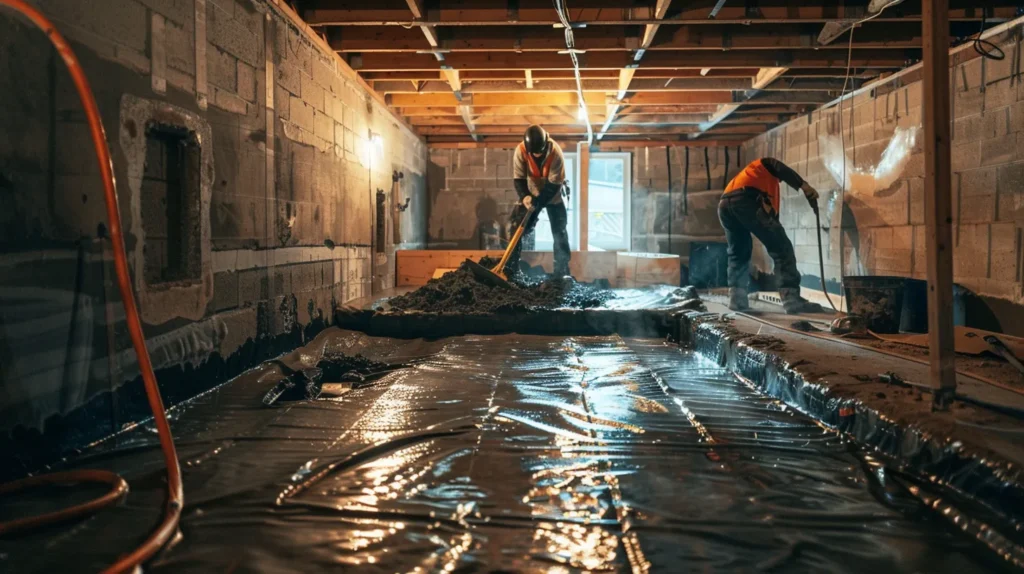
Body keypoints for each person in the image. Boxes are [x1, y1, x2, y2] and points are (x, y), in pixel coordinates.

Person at [719, 157, 823, 314]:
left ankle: (737, 299)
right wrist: (804, 186)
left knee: (738, 252)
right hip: (745, 199)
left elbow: (772, 220)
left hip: (724, 205)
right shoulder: (764, 165)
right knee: (782, 248)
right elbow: (778, 166)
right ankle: (791, 299)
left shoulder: (756, 179)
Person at [506, 124, 571, 278]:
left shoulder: (555, 153)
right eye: (532, 153)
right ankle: (512, 268)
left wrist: (539, 202)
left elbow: (553, 185)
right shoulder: (520, 151)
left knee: (559, 230)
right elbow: (519, 179)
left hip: (553, 193)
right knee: (518, 227)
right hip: (531, 192)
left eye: (539, 152)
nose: (535, 155)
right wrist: (525, 197)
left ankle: (561, 271)